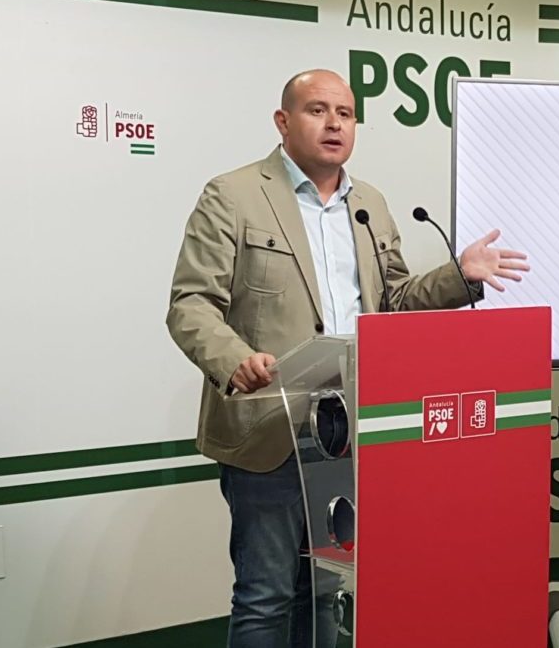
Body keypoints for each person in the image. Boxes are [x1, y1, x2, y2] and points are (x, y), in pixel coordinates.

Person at [166, 69, 528, 647]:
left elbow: (394, 302)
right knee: (266, 595)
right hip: (269, 426)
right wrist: (234, 359)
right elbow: (190, 304)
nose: (334, 123)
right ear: (283, 121)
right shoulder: (233, 195)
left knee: (325, 590)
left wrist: (460, 275)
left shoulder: (370, 204)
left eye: (346, 113)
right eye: (317, 110)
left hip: (347, 429)